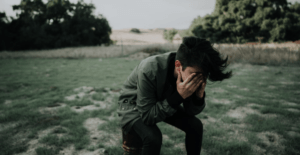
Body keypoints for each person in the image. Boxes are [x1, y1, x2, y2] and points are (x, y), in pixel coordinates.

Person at [117, 36, 232, 155]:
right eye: (195, 74)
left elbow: (190, 111)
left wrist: (198, 97)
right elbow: (147, 116)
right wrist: (178, 96)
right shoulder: (149, 68)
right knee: (153, 138)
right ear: (178, 66)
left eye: (203, 75)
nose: (198, 79)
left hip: (162, 101)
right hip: (133, 105)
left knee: (195, 126)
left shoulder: (190, 67)